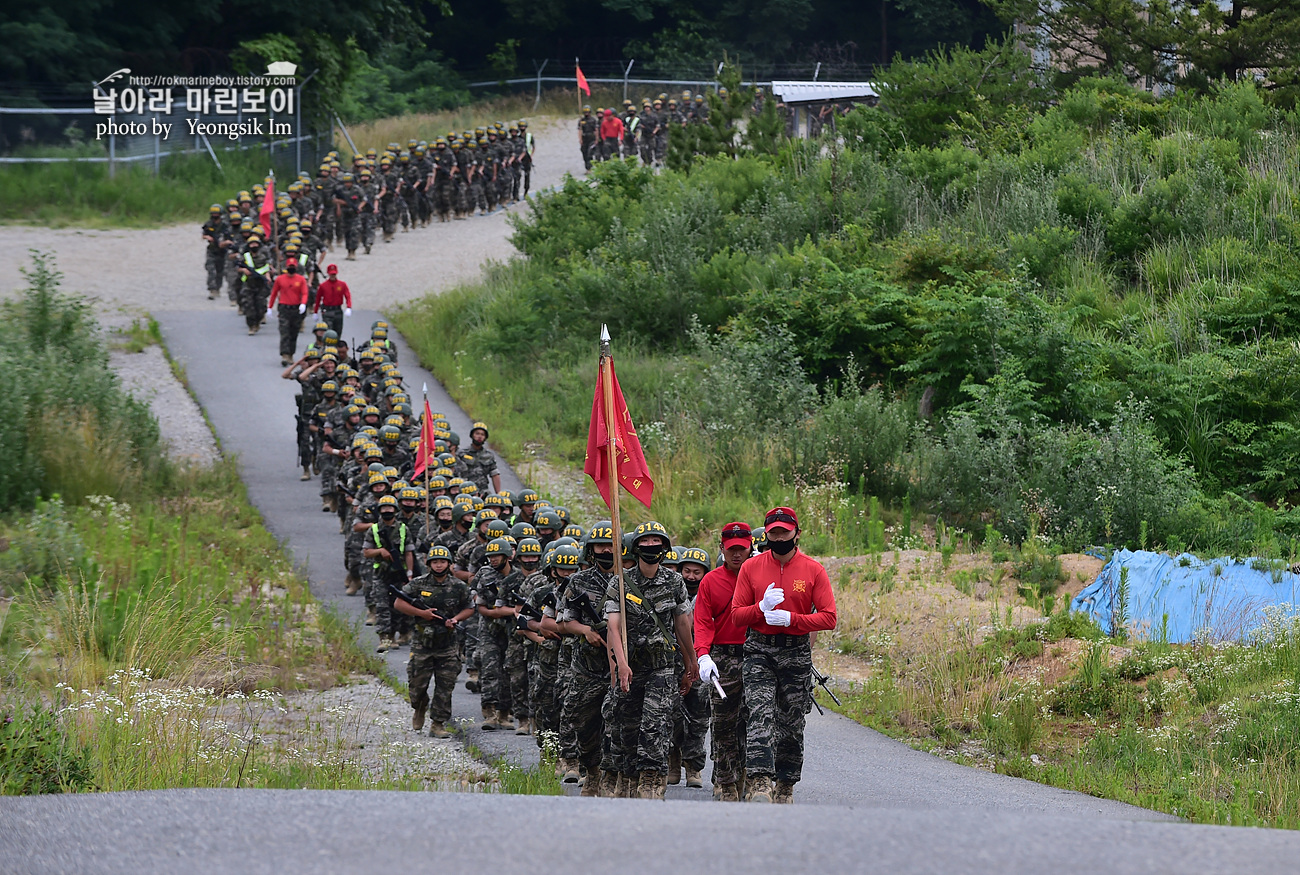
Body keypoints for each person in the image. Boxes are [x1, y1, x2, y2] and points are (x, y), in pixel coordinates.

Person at [730, 506, 837, 804]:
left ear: (796, 534)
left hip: (795, 652)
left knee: (791, 723)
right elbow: (737, 615)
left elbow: (829, 617)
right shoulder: (751, 568)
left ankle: (785, 783)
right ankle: (760, 781)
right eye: (773, 533)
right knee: (759, 713)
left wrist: (794, 620)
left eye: (784, 533)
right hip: (759, 650)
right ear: (766, 535)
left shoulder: (813, 570)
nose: (778, 538)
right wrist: (760, 609)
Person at [604, 521, 699, 800]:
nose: (650, 549)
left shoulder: (674, 582)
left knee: (655, 723)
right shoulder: (619, 582)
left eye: (656, 544)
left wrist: (690, 660)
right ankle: (629, 776)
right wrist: (621, 664)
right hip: (632, 666)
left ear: (665, 549)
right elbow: (613, 627)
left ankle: (651, 778)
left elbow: (682, 624)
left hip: (662, 666)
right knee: (628, 724)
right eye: (644, 544)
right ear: (635, 548)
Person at [695, 522, 753, 801]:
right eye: (731, 550)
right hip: (723, 656)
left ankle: (748, 777)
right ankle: (725, 781)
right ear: (722, 549)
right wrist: (703, 654)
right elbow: (703, 621)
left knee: (754, 722)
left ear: (750, 547)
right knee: (723, 723)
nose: (737, 555)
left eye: (742, 549)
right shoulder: (711, 581)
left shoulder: (761, 576)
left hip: (756, 655)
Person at [395, 545, 475, 737]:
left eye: (442, 562)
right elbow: (399, 602)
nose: (439, 565)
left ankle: (438, 723)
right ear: (429, 564)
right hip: (423, 642)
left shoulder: (458, 586)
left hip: (448, 644)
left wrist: (456, 619)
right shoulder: (418, 584)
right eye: (435, 562)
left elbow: (469, 607)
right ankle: (420, 706)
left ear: (449, 564)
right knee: (416, 685)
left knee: (445, 686)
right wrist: (421, 613)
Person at [266, 256, 310, 366]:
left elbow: (304, 293)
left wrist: (303, 304)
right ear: (286, 267)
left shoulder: (301, 279)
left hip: (296, 308)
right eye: (289, 266)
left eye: (293, 266)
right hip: (284, 308)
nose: (291, 268)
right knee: (284, 331)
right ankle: (284, 354)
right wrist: (270, 307)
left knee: (293, 332)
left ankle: (291, 353)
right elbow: (274, 293)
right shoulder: (280, 279)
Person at [201, 204, 232, 300]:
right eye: (213, 213)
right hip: (212, 250)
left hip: (223, 251)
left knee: (220, 271)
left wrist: (226, 242)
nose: (215, 215)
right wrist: (207, 237)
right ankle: (212, 289)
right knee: (211, 269)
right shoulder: (209, 224)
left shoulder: (225, 225)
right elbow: (203, 234)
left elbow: (231, 238)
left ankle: (218, 288)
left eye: (217, 213)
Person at [314, 264, 353, 336]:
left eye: (334, 274)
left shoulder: (342, 284)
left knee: (338, 332)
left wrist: (349, 307)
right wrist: (315, 312)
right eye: (331, 274)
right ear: (328, 274)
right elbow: (318, 299)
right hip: (327, 311)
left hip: (338, 311)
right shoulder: (323, 286)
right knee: (329, 333)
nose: (333, 276)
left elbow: (347, 296)